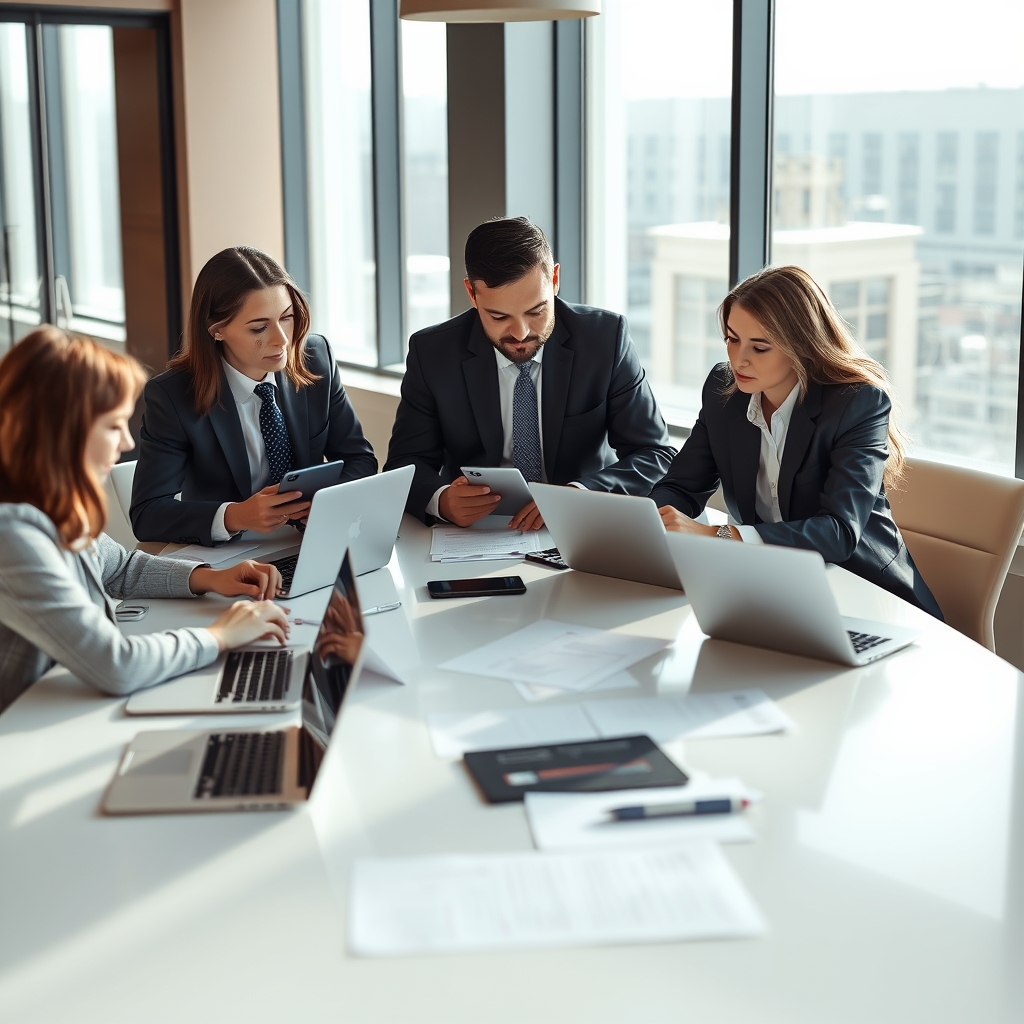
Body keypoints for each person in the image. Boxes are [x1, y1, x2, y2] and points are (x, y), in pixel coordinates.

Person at [0, 328, 292, 713]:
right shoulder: (13, 534)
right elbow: (116, 665)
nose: (125, 443)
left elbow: (119, 567)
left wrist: (211, 577)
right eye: (112, 425)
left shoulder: (48, 502)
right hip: (24, 732)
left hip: (62, 706)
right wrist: (220, 635)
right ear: (62, 430)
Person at [649, 265, 942, 617]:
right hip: (772, 589)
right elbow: (682, 486)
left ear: (800, 345)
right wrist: (649, 522)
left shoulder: (857, 403)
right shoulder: (723, 391)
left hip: (865, 597)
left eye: (760, 347)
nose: (738, 359)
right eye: (731, 338)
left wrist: (719, 536)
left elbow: (837, 532)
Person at [384, 216, 676, 529]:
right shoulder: (433, 352)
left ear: (554, 279)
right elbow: (405, 463)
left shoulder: (604, 339)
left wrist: (580, 495)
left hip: (579, 524)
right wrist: (440, 499)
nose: (521, 332)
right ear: (472, 293)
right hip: (476, 532)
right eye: (498, 316)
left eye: (536, 311)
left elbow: (655, 454)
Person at [130, 246, 377, 546]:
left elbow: (360, 460)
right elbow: (148, 514)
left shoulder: (316, 358)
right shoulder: (172, 396)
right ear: (217, 330)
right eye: (259, 327)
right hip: (230, 555)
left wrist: (326, 501)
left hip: (307, 541)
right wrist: (236, 516)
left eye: (286, 318)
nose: (282, 340)